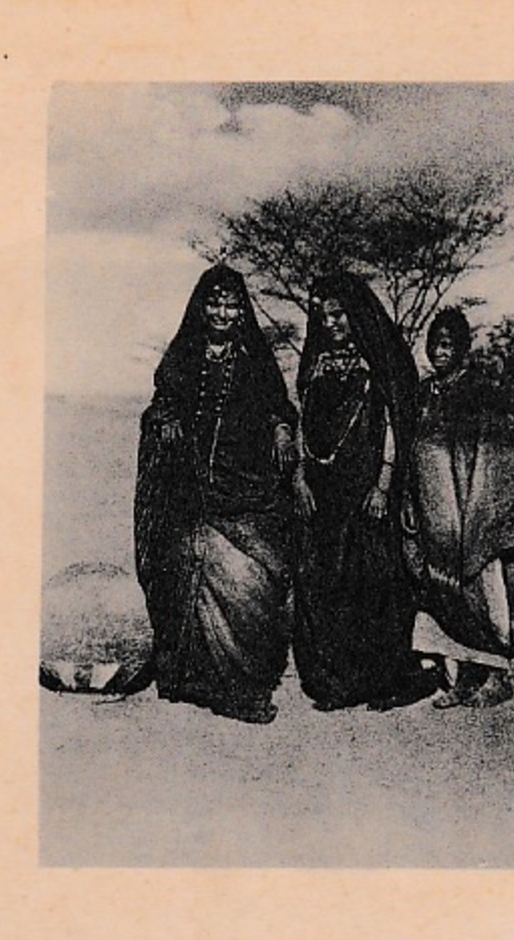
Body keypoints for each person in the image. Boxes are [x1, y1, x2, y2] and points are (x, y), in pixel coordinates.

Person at [134, 264, 298, 724]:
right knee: (188, 570)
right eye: (214, 303)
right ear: (201, 306)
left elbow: (278, 406)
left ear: (240, 308)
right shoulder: (182, 355)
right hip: (188, 491)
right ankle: (192, 679)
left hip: (244, 490)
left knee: (246, 580)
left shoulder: (254, 359)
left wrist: (283, 430)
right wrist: (163, 419)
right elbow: (161, 401)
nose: (223, 312)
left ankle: (241, 686)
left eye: (230, 304)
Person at [402, 307, 514, 708]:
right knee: (442, 598)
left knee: (483, 598)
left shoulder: (478, 393)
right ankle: (462, 681)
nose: (440, 352)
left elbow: (499, 453)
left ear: (463, 349)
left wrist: (481, 510)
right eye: (435, 344)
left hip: (473, 516)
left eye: (448, 344)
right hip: (435, 518)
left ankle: (497, 677)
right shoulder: (425, 393)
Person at [292, 272, 434, 712]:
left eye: (339, 314)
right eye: (323, 316)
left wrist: (384, 483)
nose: (332, 323)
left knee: (372, 583)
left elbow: (394, 423)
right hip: (323, 490)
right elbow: (302, 421)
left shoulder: (377, 361)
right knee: (323, 580)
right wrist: (298, 478)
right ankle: (338, 683)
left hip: (368, 489)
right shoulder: (314, 363)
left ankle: (384, 680)